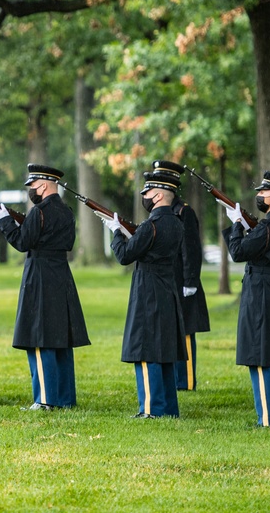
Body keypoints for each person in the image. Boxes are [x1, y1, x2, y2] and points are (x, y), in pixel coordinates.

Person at [0, 164, 90, 410]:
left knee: (40, 336)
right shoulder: (66, 212)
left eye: (33, 186)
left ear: (43, 185)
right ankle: (65, 399)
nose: (31, 190)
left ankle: (45, 399)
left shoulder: (39, 212)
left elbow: (23, 242)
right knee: (60, 338)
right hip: (61, 274)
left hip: (40, 275)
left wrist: (5, 221)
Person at [101, 170, 186, 418]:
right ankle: (169, 408)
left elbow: (125, 255)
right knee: (165, 351)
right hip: (167, 288)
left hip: (148, 289)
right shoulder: (177, 223)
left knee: (147, 349)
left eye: (147, 192)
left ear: (158, 195)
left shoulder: (152, 225)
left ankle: (151, 408)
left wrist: (117, 232)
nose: (145, 196)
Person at [222, 170, 270, 427]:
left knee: (263, 357)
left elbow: (238, 251)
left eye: (263, 192)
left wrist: (236, 224)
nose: (259, 195)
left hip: (263, 295)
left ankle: (269, 419)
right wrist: (247, 227)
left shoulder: (269, 227)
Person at [152, 160, 211, 391]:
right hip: (167, 278)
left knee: (185, 330)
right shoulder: (163, 212)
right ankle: (174, 378)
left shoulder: (183, 212)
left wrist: (190, 281)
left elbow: (191, 249)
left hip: (182, 279)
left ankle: (185, 380)